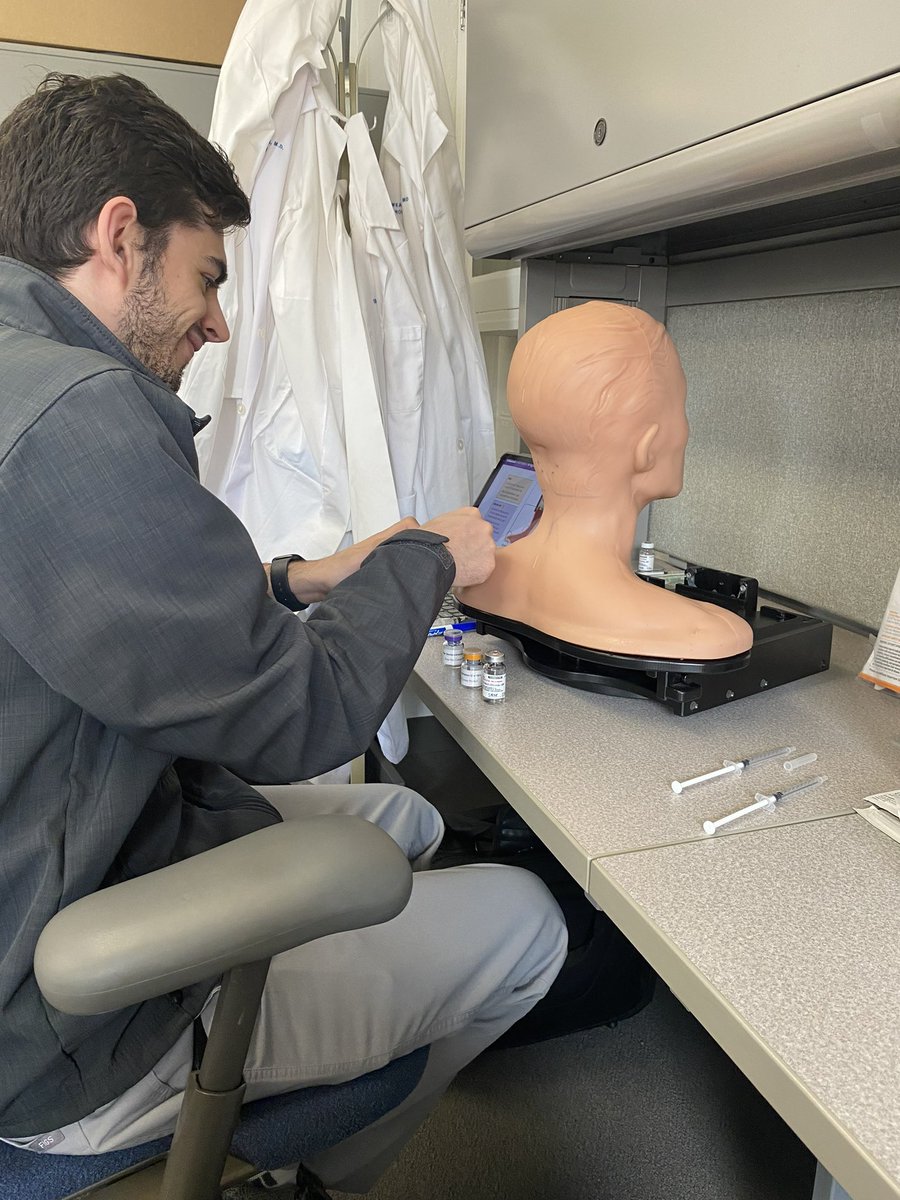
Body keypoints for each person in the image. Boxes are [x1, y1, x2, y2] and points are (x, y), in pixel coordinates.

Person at [0, 74, 567, 1193]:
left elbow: (97, 608)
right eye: (207, 277)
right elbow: (304, 715)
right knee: (528, 920)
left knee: (406, 816)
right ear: (119, 236)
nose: (218, 321)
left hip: (58, 863)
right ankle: (309, 1170)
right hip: (56, 1041)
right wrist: (426, 559)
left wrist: (303, 578)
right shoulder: (75, 415)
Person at [459, 302, 754, 661]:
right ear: (647, 448)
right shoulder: (707, 632)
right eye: (681, 409)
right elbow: (721, 633)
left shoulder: (483, 579)